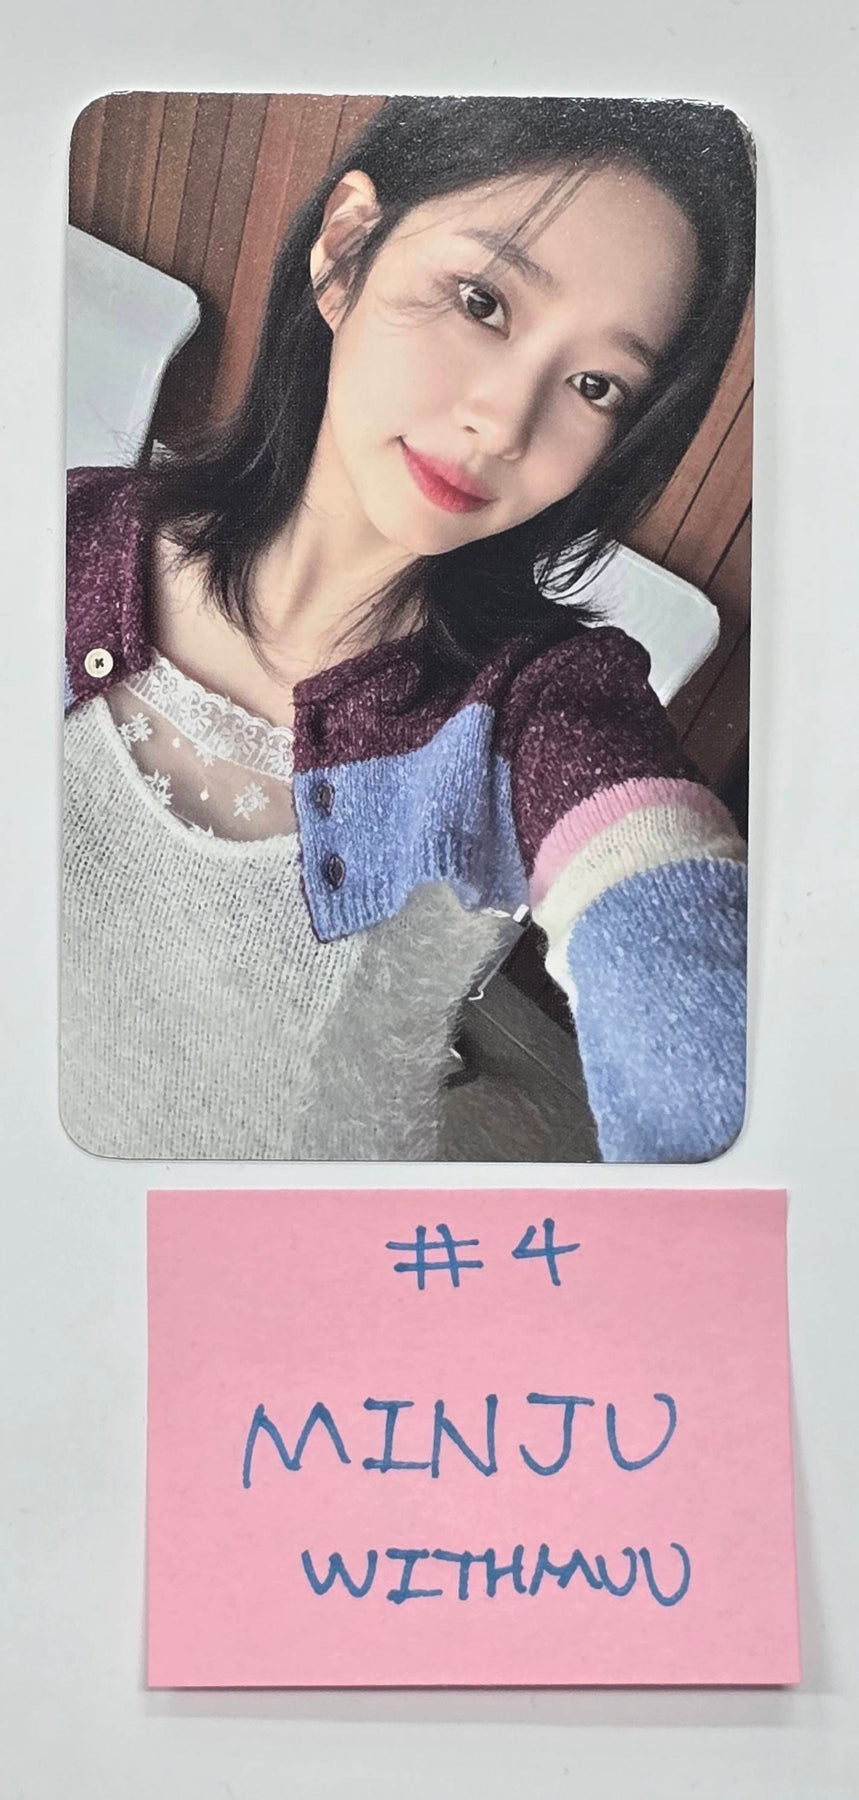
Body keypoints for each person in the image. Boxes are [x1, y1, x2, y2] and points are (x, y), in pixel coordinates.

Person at [62, 95, 754, 1163]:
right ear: (346, 249)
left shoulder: (538, 711)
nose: (503, 424)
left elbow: (686, 981)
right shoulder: (67, 537)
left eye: (595, 385)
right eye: (482, 301)